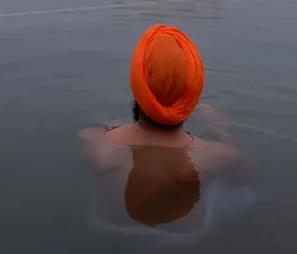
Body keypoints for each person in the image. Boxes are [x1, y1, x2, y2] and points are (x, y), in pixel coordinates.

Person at [79, 24, 254, 241]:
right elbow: (245, 176)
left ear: (137, 86)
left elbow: (106, 134)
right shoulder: (214, 155)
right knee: (240, 192)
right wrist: (220, 129)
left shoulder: (97, 142)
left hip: (110, 227)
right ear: (192, 96)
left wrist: (117, 127)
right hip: (182, 237)